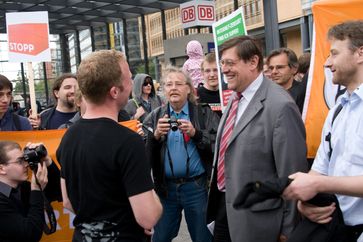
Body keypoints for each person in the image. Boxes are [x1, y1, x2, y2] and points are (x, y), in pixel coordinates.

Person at [206, 36, 308, 242]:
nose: (223, 70)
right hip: (225, 213)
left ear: (253, 62)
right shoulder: (235, 99)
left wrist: (288, 230)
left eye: (230, 63)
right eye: (222, 63)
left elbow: (293, 173)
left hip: (260, 224)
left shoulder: (280, 106)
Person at [57, 50, 162, 242]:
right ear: (114, 92)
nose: (132, 84)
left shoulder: (68, 136)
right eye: (129, 79)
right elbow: (148, 216)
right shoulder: (128, 141)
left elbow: (68, 202)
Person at [283, 20, 363, 242]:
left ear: (360, 53)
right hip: (336, 229)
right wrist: (306, 202)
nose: (327, 63)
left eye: (334, 53)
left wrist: (319, 184)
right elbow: (320, 169)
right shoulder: (338, 109)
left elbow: (319, 180)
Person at [144, 66, 220, 242]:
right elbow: (142, 156)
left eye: (179, 83)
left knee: (203, 238)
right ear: (163, 89)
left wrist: (196, 134)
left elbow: (218, 146)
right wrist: (155, 137)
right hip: (165, 189)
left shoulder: (203, 113)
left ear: (189, 88)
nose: (173, 88)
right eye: (169, 84)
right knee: (160, 238)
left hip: (196, 187)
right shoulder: (154, 117)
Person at [0, 141, 61, 242]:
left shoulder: (22, 188)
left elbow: (58, 192)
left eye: (25, 159)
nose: (26, 164)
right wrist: (36, 189)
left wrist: (47, 161)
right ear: (1, 169)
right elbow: (30, 235)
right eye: (20, 161)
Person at [267, 48, 306, 113]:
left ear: (294, 69)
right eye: (271, 68)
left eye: (280, 67)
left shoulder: (303, 93)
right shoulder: (265, 94)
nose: (274, 72)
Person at [197, 52, 222, 117]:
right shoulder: (195, 96)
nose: (212, 75)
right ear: (202, 73)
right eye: (207, 71)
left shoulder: (228, 94)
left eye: (215, 70)